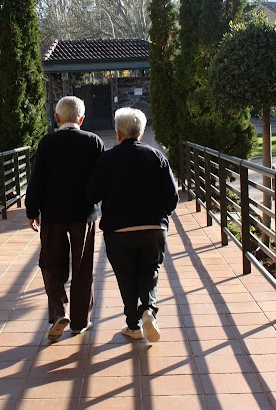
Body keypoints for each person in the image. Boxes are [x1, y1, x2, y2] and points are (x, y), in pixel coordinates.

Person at [86, 107, 178, 342]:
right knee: (151, 270)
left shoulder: (106, 159)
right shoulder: (156, 156)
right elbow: (172, 197)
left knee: (125, 276)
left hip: (118, 230)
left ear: (117, 133)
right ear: (142, 132)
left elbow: (93, 194)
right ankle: (148, 309)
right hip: (153, 227)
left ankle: (133, 325)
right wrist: (162, 217)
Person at [25, 96, 105, 341]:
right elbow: (101, 179)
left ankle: (58, 311)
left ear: (57, 118)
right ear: (81, 119)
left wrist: (32, 210)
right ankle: (80, 321)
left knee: (51, 264)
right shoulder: (94, 142)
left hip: (53, 215)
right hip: (84, 215)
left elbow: (37, 179)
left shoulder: (47, 143)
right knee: (83, 268)